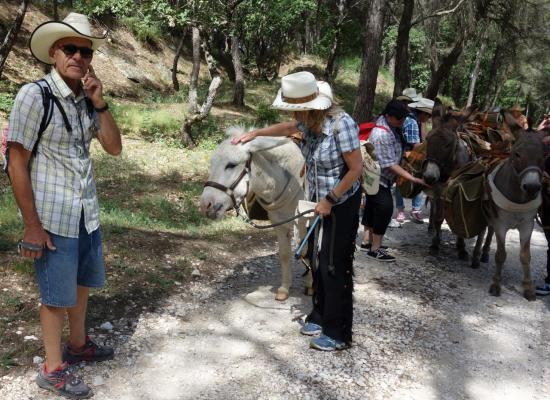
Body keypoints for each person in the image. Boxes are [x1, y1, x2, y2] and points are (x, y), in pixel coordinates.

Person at [6, 13, 122, 398]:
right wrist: (31, 225)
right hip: (52, 215)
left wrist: (100, 102)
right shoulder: (34, 95)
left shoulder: (85, 100)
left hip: (85, 212)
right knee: (55, 295)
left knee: (82, 283)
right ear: (54, 52)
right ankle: (53, 368)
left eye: (85, 51)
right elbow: (16, 161)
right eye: (70, 49)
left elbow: (113, 147)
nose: (78, 56)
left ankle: (78, 343)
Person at [232, 71, 362, 351]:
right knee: (315, 260)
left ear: (313, 107)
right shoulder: (307, 124)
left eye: (297, 110)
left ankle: (338, 333)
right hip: (317, 203)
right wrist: (255, 133)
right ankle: (319, 314)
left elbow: (355, 170)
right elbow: (284, 128)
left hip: (341, 202)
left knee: (334, 266)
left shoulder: (342, 125)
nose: (295, 116)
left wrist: (330, 199)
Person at [358, 100, 428, 262]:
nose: (402, 122)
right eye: (399, 119)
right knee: (385, 208)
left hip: (377, 178)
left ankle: (367, 242)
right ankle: (375, 249)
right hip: (378, 178)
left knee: (371, 207)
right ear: (389, 116)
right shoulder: (381, 134)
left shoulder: (391, 127)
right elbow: (389, 164)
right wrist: (412, 178)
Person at [394, 89, 428, 224]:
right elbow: (415, 144)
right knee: (412, 179)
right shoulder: (412, 121)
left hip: (403, 152)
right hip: (409, 154)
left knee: (401, 181)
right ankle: (413, 209)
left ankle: (404, 210)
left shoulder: (412, 119)